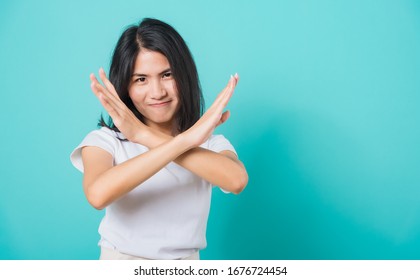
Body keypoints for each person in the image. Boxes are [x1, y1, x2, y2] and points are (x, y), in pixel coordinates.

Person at [70, 18, 248, 260]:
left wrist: (147, 136)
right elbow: (98, 195)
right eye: (141, 79)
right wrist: (184, 141)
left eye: (167, 74)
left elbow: (236, 180)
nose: (157, 92)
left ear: (184, 75)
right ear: (125, 85)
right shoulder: (105, 141)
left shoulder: (209, 143)